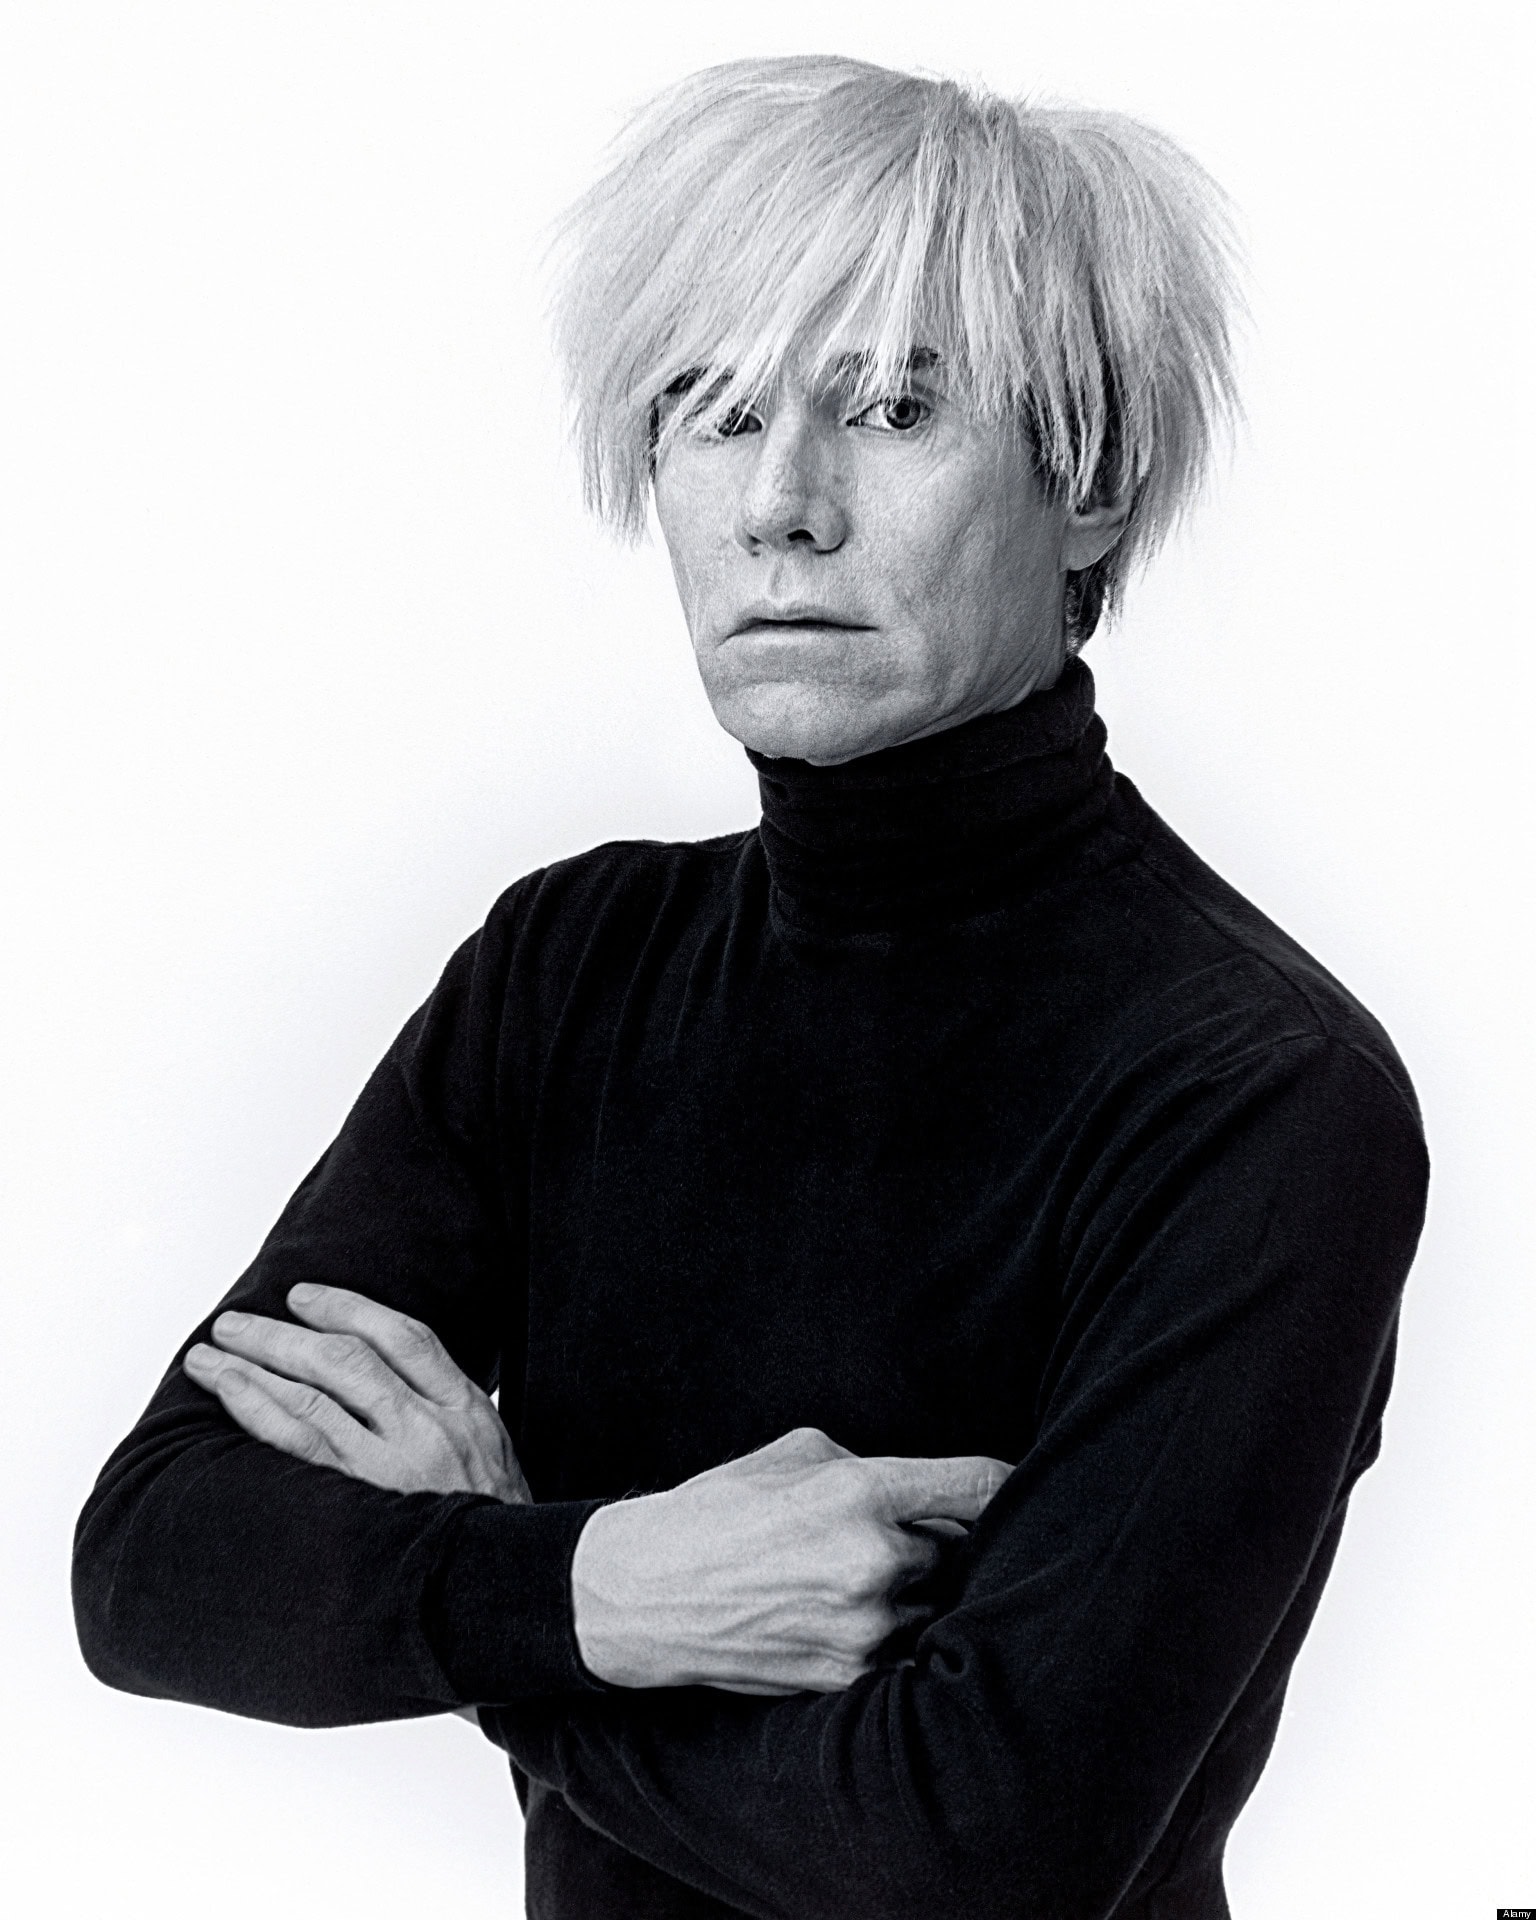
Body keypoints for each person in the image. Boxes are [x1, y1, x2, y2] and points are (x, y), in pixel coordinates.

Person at [72, 55, 1428, 1920]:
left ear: (1094, 483)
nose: (782, 503)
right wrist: (599, 1586)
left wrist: (500, 1591)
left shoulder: (1256, 1087)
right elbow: (151, 1565)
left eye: (892, 408)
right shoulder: (566, 969)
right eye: (710, 413)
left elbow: (974, 1858)